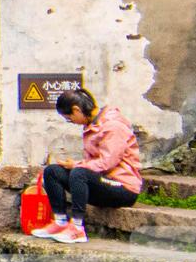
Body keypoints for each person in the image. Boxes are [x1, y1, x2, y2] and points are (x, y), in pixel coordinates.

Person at [31, 89, 140, 245]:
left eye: (70, 118)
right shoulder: (92, 125)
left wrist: (76, 165)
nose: (72, 122)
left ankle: (77, 228)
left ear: (76, 110)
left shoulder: (113, 126)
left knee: (79, 173)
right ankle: (60, 222)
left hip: (123, 188)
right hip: (101, 183)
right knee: (52, 171)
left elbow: (107, 163)